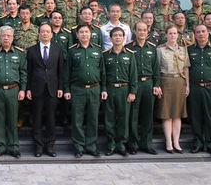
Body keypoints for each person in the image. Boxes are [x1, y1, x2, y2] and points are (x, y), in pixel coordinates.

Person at [64, 25, 106, 158]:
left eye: (86, 32)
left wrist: (103, 89)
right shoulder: (72, 51)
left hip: (94, 89)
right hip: (77, 89)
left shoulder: (98, 50)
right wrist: (66, 89)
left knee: (93, 119)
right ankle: (78, 147)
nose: (84, 34)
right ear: (77, 35)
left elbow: (102, 71)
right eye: (81, 32)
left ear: (91, 34)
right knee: (77, 120)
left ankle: (91, 146)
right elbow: (67, 72)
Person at [0, 26, 27, 159]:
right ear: (0, 37)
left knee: (13, 119)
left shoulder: (19, 54)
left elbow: (23, 73)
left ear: (13, 37)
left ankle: (14, 147)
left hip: (14, 90)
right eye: (3, 36)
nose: (6, 38)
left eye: (9, 35)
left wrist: (23, 90)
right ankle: (1, 147)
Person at [27, 23, 64, 158]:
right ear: (39, 34)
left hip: (52, 88)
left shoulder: (57, 49)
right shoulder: (32, 50)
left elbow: (60, 70)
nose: (45, 34)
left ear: (51, 34)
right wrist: (28, 89)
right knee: (36, 119)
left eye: (48, 32)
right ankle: (38, 146)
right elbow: (28, 71)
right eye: (42, 31)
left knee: (50, 119)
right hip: (36, 89)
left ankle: (49, 146)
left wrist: (60, 87)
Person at [187, 24, 211, 155]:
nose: (201, 34)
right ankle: (197, 143)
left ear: (207, 33)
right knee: (195, 116)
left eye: (203, 31)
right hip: (195, 87)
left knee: (210, 116)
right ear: (195, 34)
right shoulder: (189, 49)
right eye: (198, 32)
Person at [126, 22, 161, 155]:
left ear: (148, 31)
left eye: (144, 30)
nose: (142, 32)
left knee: (148, 116)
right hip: (134, 84)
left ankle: (146, 144)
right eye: (139, 30)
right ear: (134, 31)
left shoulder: (152, 48)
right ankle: (133, 144)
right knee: (133, 116)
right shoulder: (128, 48)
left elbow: (156, 69)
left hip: (148, 84)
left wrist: (156, 85)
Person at [103, 27, 138, 156]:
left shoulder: (129, 54)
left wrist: (133, 92)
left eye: (120, 35)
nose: (118, 37)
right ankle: (111, 144)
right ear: (110, 38)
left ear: (124, 38)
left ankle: (121, 144)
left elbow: (133, 75)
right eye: (115, 35)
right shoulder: (105, 55)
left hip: (125, 90)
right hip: (110, 89)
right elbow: (103, 75)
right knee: (109, 119)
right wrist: (104, 90)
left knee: (124, 119)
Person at [156, 25, 190, 154]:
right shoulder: (160, 50)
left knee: (177, 114)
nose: (172, 35)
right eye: (170, 33)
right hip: (166, 81)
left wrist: (187, 85)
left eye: (175, 33)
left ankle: (176, 141)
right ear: (166, 35)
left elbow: (186, 68)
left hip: (179, 82)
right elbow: (157, 68)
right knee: (167, 114)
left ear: (178, 35)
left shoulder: (183, 50)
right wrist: (157, 84)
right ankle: (168, 142)